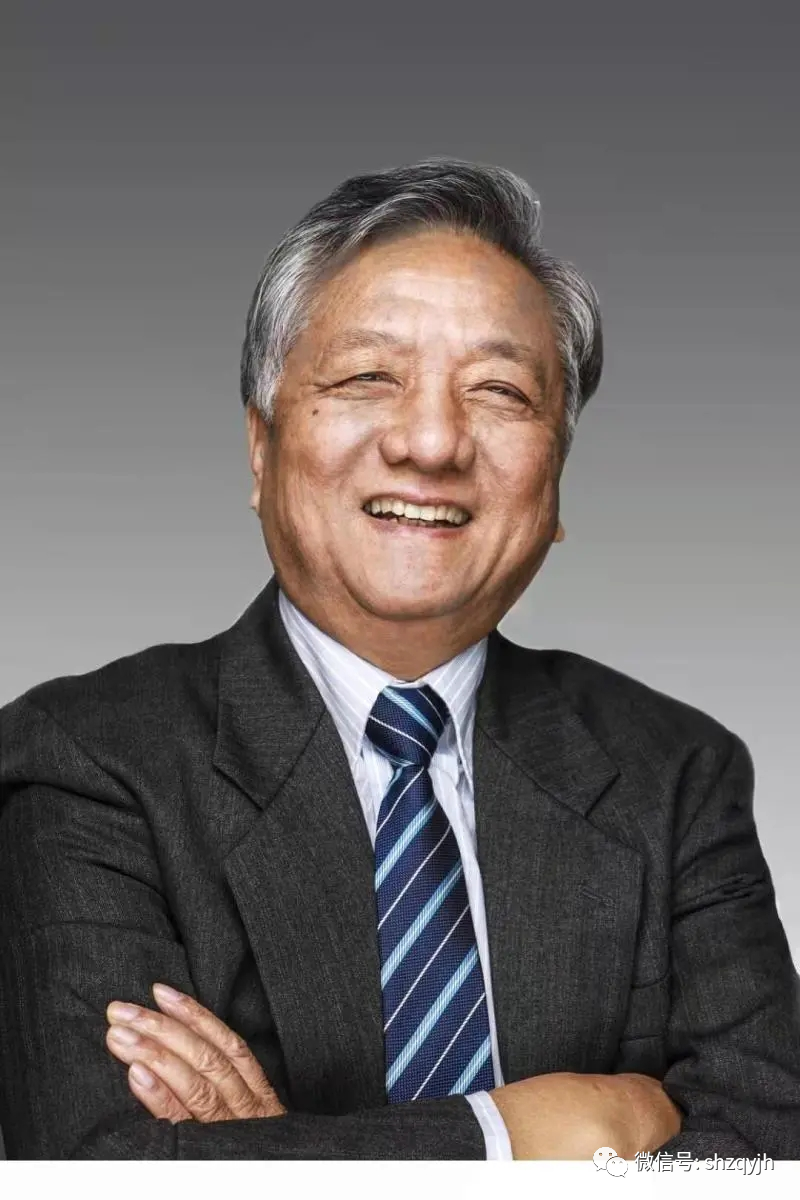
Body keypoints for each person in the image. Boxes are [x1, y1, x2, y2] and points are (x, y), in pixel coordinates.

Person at [1, 159, 798, 1162]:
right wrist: (523, 1134)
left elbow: (769, 1155)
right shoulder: (88, 760)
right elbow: (101, 1167)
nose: (430, 443)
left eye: (499, 390)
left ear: (555, 479)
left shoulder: (674, 772)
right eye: (368, 378)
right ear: (261, 447)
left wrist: (279, 1157)